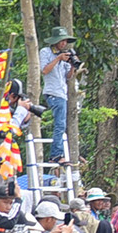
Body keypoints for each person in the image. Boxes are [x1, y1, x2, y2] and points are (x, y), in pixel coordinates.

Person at [37, 27, 80, 162]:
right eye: (62, 41)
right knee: (60, 124)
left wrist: (73, 65)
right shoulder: (46, 52)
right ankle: (56, 155)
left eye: (65, 41)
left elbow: (68, 76)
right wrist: (58, 58)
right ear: (55, 41)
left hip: (62, 93)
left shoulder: (65, 54)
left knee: (61, 124)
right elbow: (44, 70)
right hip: (52, 92)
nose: (64, 43)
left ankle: (57, 153)